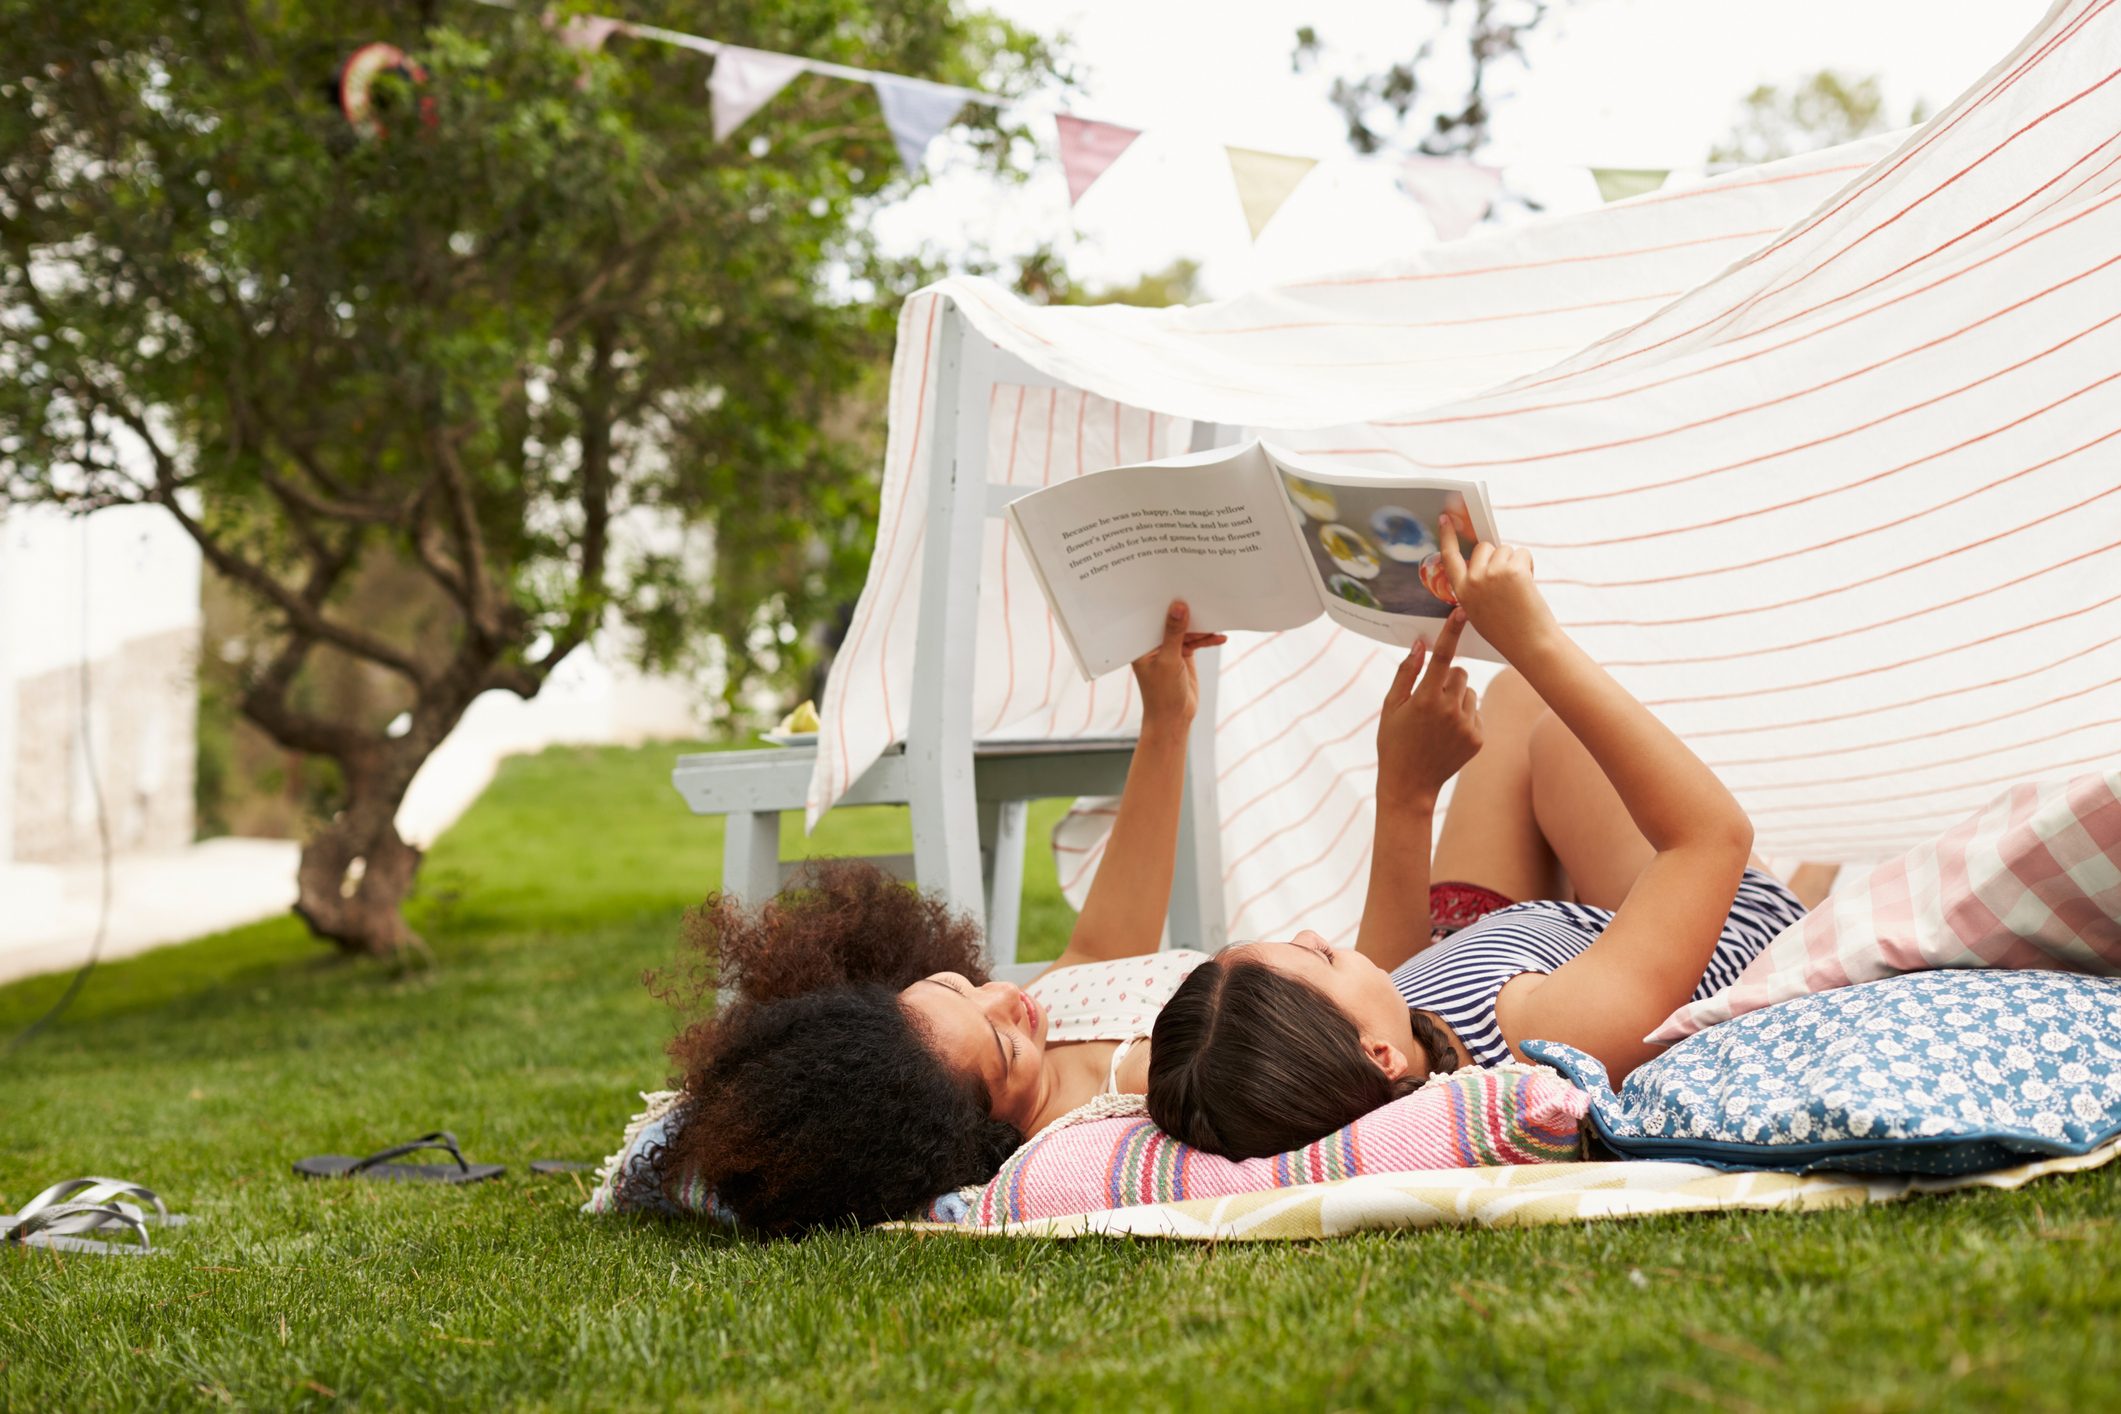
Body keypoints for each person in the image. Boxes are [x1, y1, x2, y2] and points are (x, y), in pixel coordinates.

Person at [1146, 515, 1816, 1159]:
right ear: (1379, 1055)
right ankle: (1813, 891)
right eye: (1317, 960)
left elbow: (1394, 964)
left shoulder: (1386, 1045)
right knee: (1550, 727)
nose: (1312, 936)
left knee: (1510, 705)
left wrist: (1404, 787)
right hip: (1725, 916)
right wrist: (1532, 637)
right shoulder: (1547, 1038)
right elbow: (1711, 838)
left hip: (1515, 946)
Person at [660, 604, 1226, 1234]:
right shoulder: (1141, 1093)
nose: (1007, 995)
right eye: (1005, 1050)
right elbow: (1350, 1018)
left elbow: (1102, 949)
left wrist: (1167, 719)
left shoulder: (1032, 1028)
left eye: (957, 986)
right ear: (983, 1142)